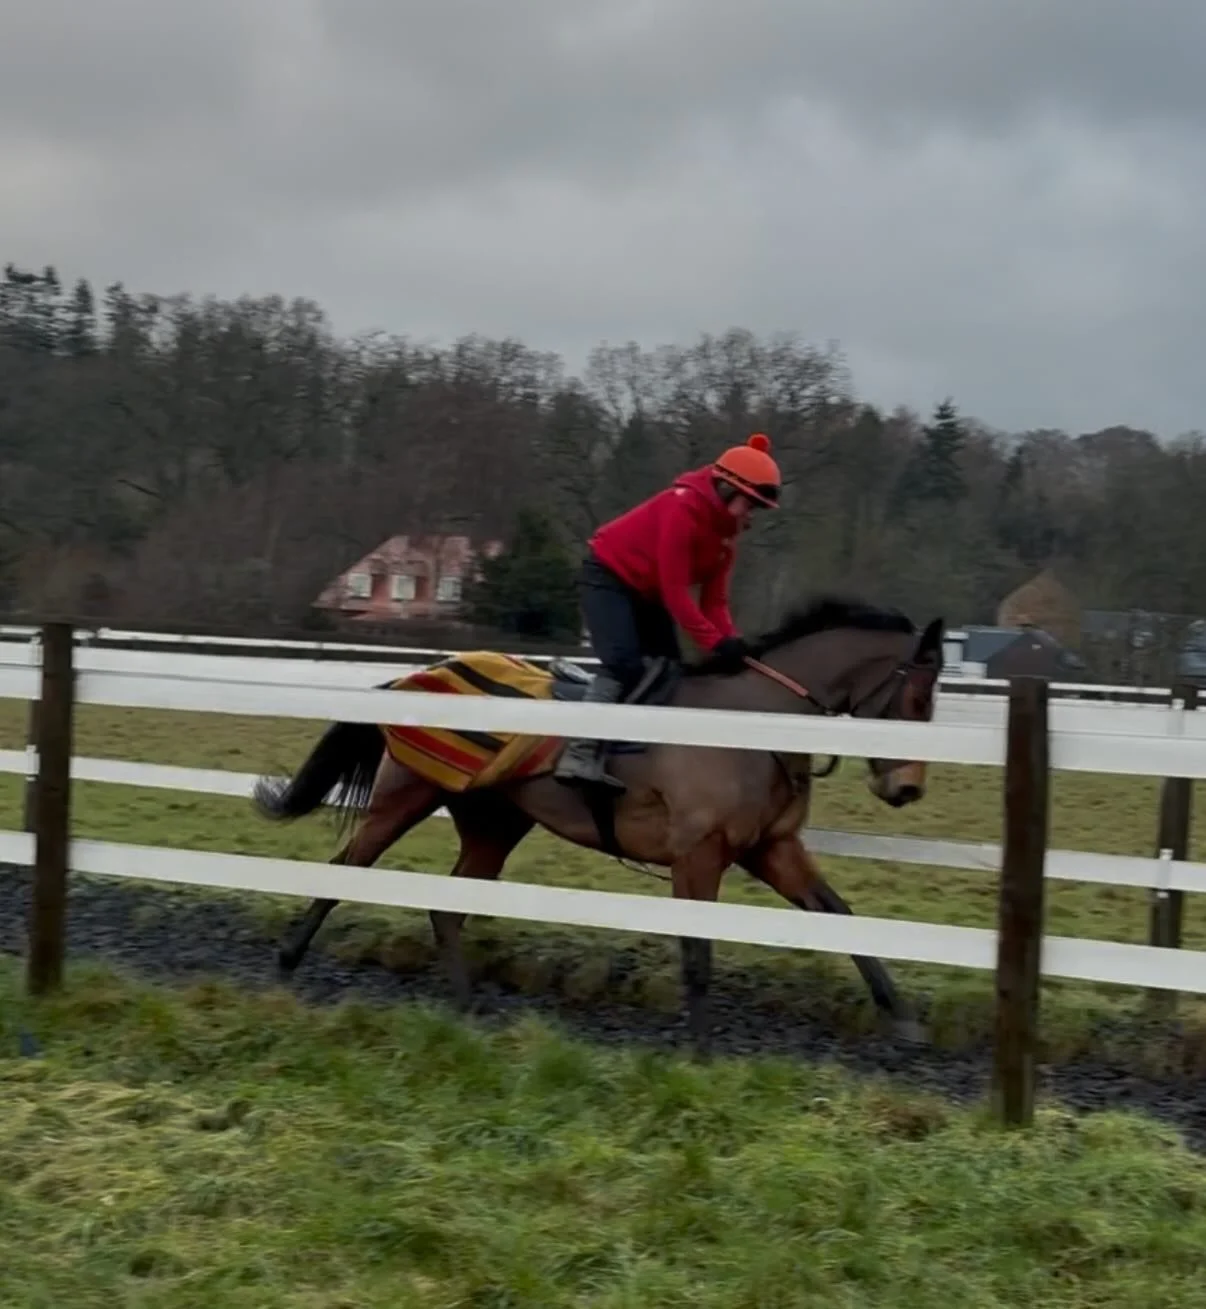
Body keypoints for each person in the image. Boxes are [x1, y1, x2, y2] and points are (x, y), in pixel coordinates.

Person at [554, 432, 782, 790]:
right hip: (608, 577)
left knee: (670, 672)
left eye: (755, 507)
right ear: (725, 487)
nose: (749, 514)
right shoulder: (682, 509)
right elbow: (676, 593)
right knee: (624, 663)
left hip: (647, 591)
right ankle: (579, 754)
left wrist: (731, 643)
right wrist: (714, 643)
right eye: (748, 503)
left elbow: (714, 602)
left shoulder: (726, 539)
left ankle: (636, 757)